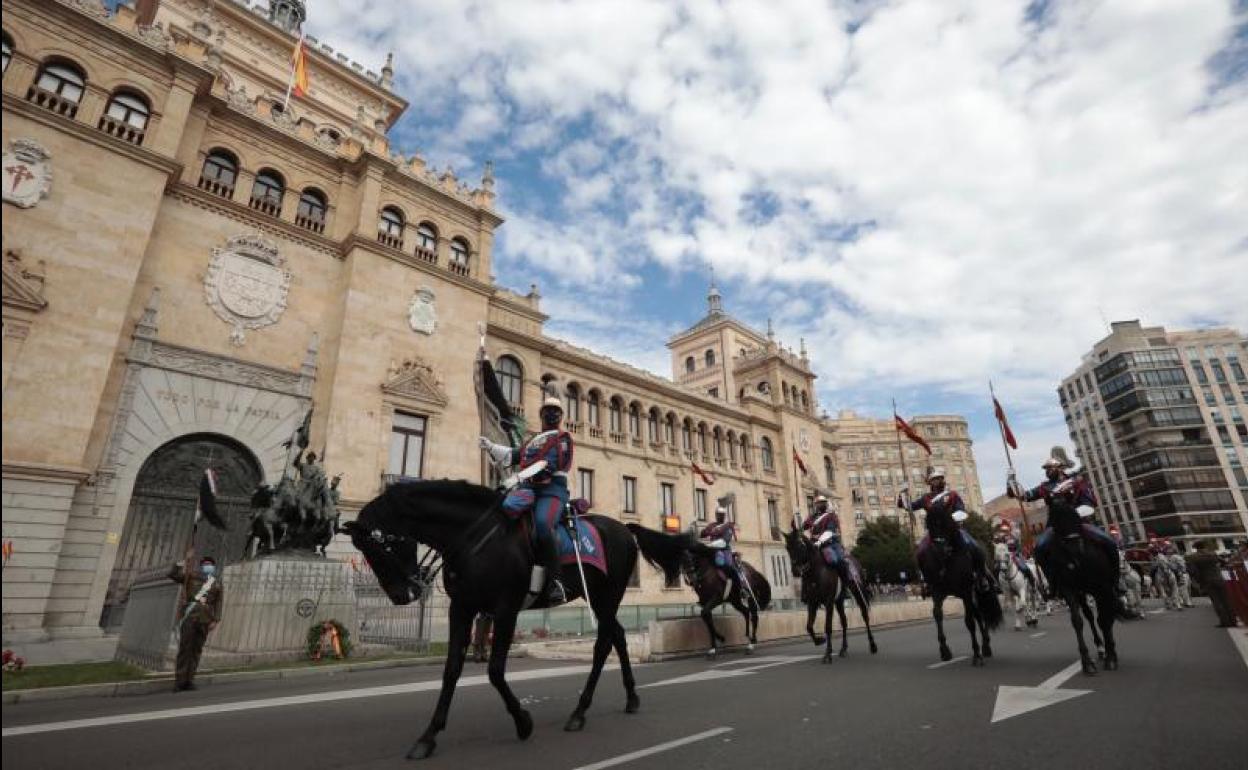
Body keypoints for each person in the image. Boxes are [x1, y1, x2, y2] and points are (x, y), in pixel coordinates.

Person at [480, 394, 572, 604]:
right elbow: (516, 455)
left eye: (555, 411)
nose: (551, 414)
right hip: (529, 488)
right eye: (547, 411)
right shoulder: (533, 440)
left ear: (560, 416)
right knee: (503, 509)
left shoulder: (563, 438)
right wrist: (491, 446)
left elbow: (553, 463)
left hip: (552, 491)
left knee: (542, 524)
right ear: (541, 415)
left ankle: (556, 582)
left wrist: (520, 476)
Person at [1008, 454, 1120, 589]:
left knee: (1109, 542)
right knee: (1040, 548)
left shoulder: (1077, 482)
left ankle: (1116, 580)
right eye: (1046, 469)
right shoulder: (1045, 487)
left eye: (1050, 468)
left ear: (1060, 469)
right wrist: (1012, 481)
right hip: (1055, 526)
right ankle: (1052, 583)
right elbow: (1024, 496)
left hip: (1080, 522)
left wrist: (1073, 514)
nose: (1047, 472)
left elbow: (1089, 503)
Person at [899, 467, 992, 590]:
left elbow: (960, 508)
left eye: (938, 479)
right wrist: (903, 494)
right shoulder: (926, 498)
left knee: (975, 547)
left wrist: (956, 518)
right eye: (934, 479)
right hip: (934, 531)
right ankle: (927, 580)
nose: (936, 481)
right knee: (921, 551)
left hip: (953, 529)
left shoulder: (952, 495)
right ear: (930, 482)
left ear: (942, 480)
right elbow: (909, 507)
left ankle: (982, 575)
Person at [168, 556, 224, 692]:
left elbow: (218, 602)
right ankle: (179, 681)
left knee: (196, 651)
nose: (207, 566)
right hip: (189, 617)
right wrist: (180, 562)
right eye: (205, 564)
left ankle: (189, 680)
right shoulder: (191, 577)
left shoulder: (216, 583)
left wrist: (215, 620)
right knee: (185, 649)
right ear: (201, 566)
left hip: (205, 620)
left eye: (210, 564)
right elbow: (173, 575)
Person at [1187, 541, 1237, 627]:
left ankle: (1224, 621)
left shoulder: (1193, 557)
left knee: (1216, 601)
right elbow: (1224, 562)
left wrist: (1199, 582)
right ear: (1204, 546)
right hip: (1219, 578)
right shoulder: (1212, 554)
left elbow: (1194, 572)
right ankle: (1233, 620)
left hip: (1207, 581)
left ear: (1196, 548)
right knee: (1226, 600)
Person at [700, 505, 740, 590]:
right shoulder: (712, 525)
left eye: (722, 514)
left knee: (724, 564)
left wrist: (709, 545)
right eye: (718, 514)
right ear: (716, 515)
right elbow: (702, 534)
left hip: (724, 550)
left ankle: (738, 587)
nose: (720, 516)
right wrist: (704, 532)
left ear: (724, 515)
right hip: (712, 551)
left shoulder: (728, 527)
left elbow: (724, 542)